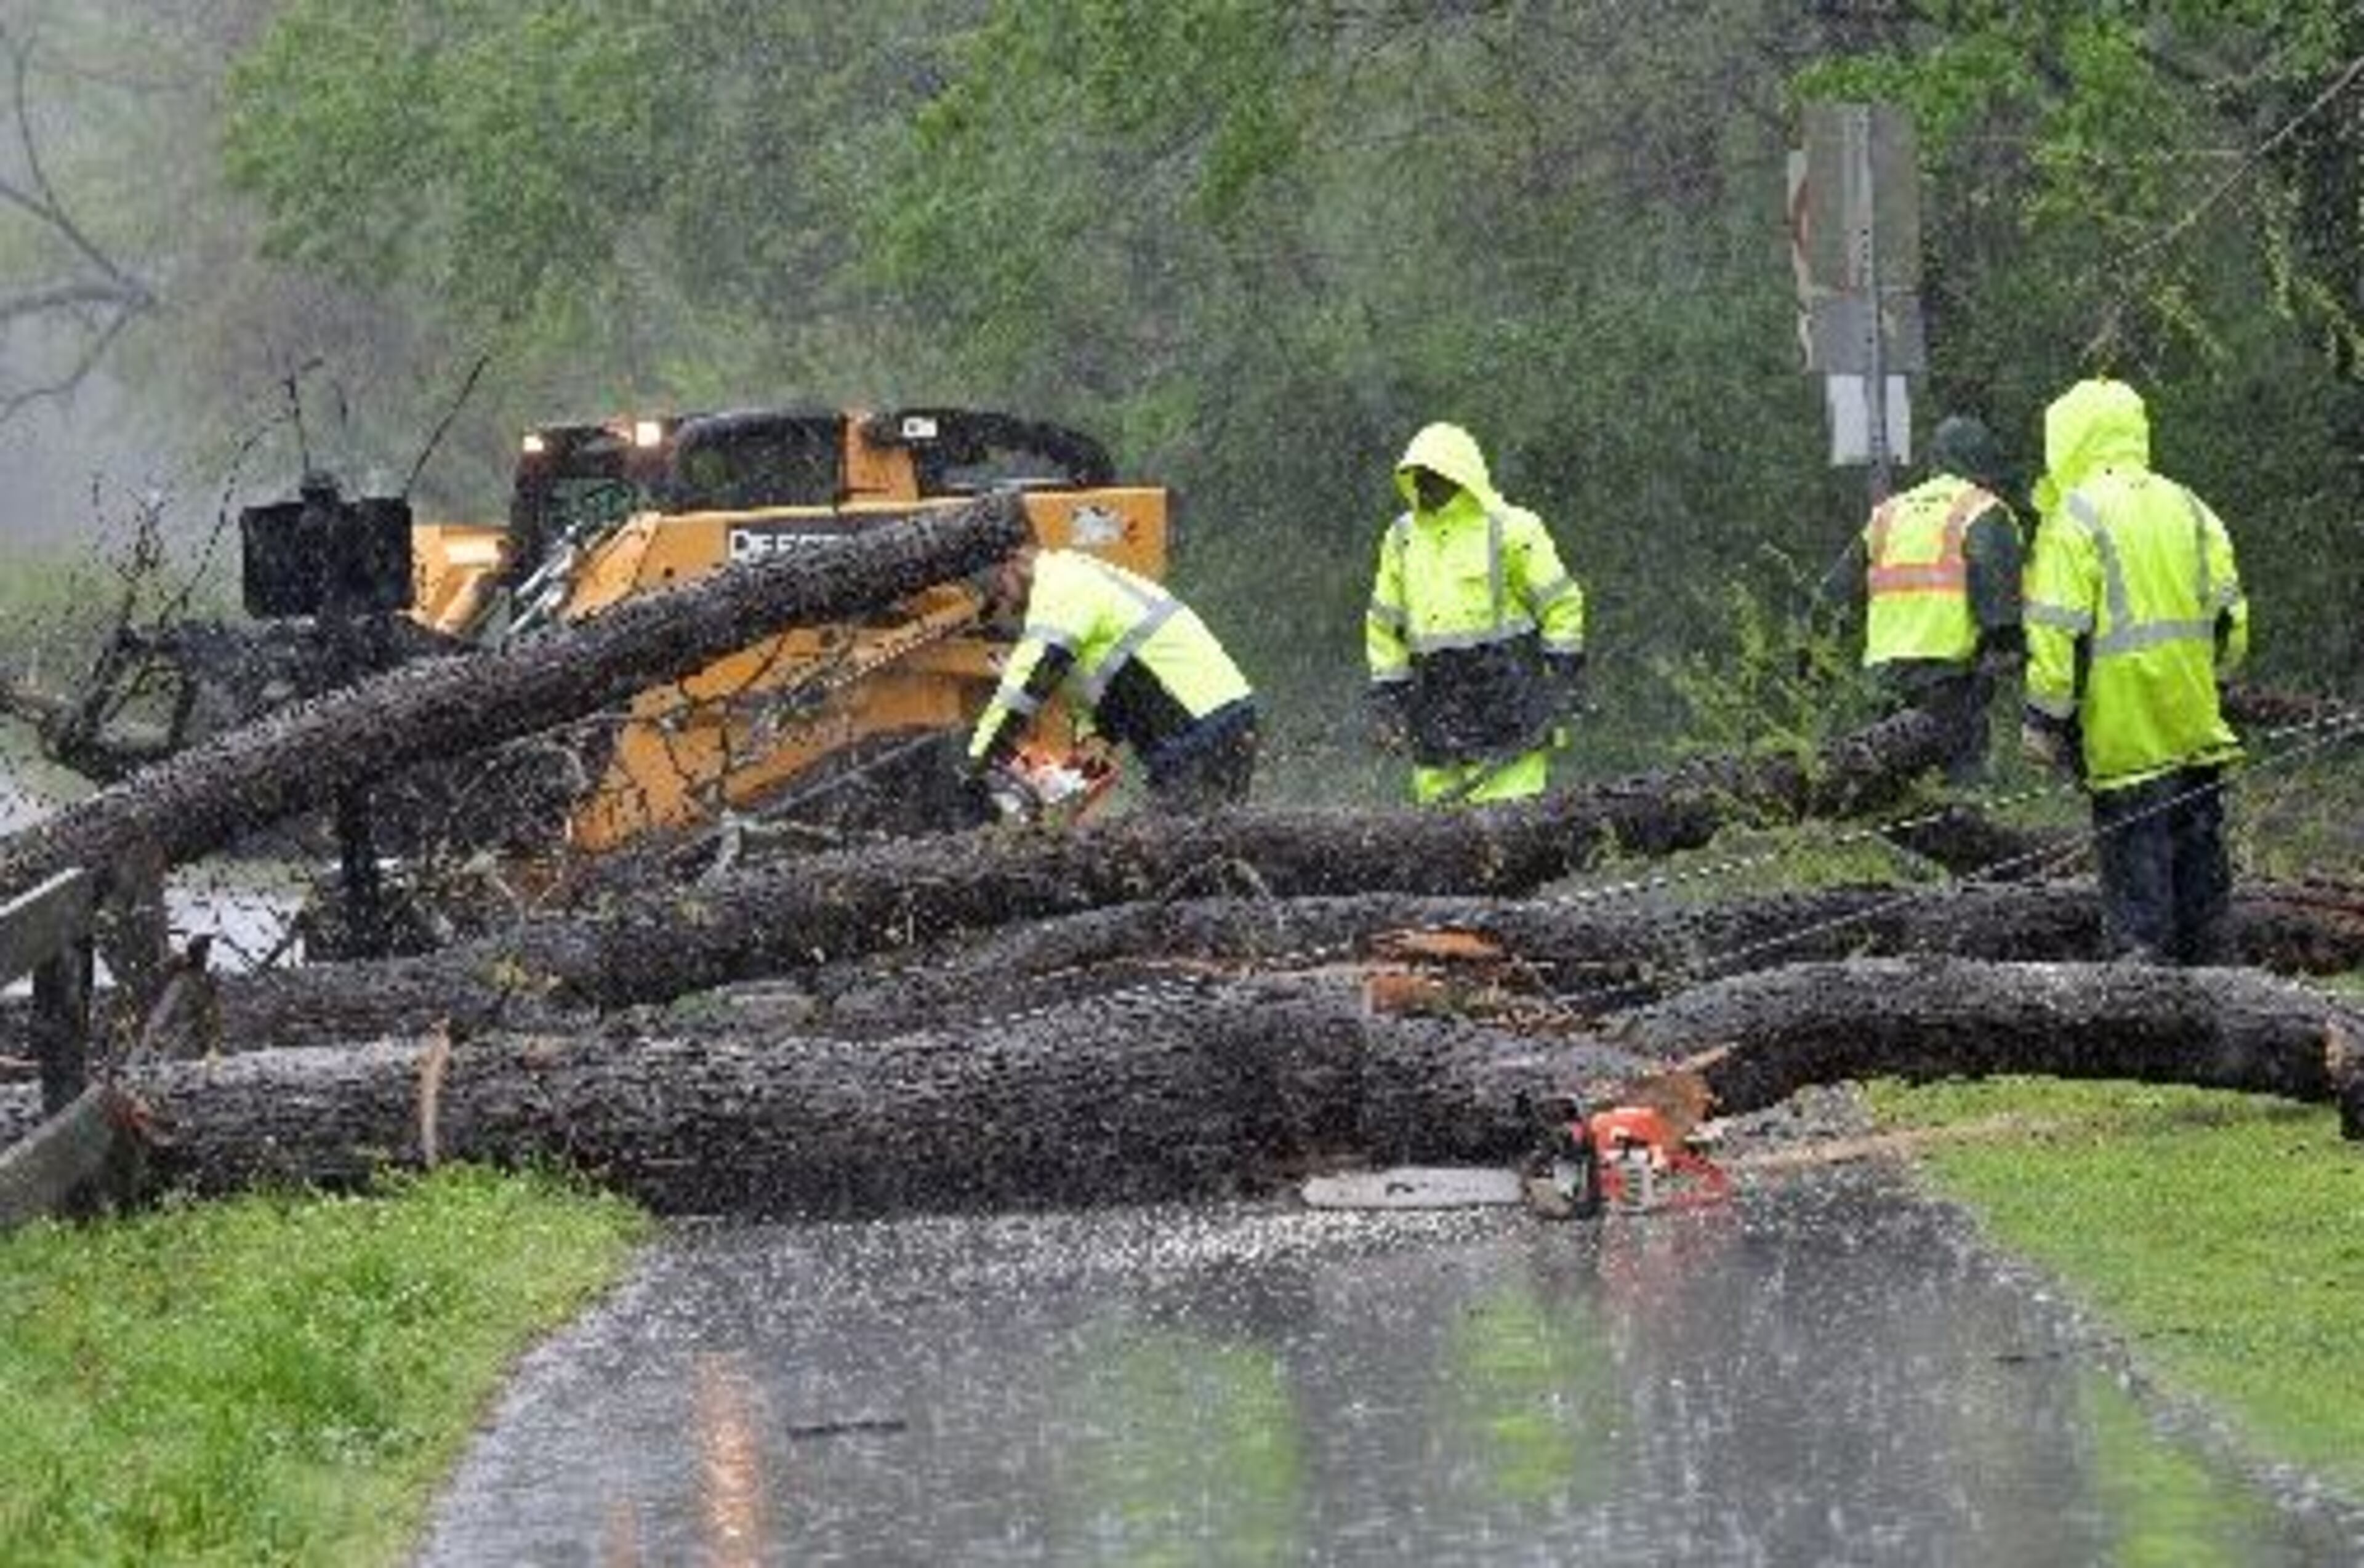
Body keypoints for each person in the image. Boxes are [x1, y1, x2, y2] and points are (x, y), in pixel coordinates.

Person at [2019, 377, 2247, 965]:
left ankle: (2147, 1027)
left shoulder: (2076, 517)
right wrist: (2208, 685)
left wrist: (2045, 719)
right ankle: (2225, 1021)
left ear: (2067, 437)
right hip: (2195, 732)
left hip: (2124, 741)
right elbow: (2231, 621)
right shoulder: (2191, 506)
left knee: (2138, 909)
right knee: (2203, 892)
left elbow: (2055, 631)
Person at [1365, 422, 1586, 805]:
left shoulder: (1512, 528)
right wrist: (1387, 697)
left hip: (1506, 698)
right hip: (1432, 702)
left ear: (1461, 475)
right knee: (1437, 832)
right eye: (1417, 477)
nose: (1424, 486)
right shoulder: (1401, 539)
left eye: (1433, 476)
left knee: (1511, 826)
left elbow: (1561, 604)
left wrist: (1564, 674)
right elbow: (1384, 626)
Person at [965, 543, 1258, 814]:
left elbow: (1033, 674)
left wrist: (981, 755)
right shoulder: (1073, 574)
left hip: (1199, 727)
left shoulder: (1060, 585)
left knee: (1173, 853)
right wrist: (1096, 736)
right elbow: (1109, 676)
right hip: (1211, 722)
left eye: (996, 593)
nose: (1000, 609)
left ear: (1012, 564)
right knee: (1208, 848)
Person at [1860, 413, 2024, 784]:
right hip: (1948, 680)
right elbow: (1999, 611)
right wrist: (2009, 650)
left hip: (1884, 680)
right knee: (1955, 791)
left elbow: (1832, 596)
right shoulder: (1982, 510)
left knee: (1896, 792)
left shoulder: (1889, 514)